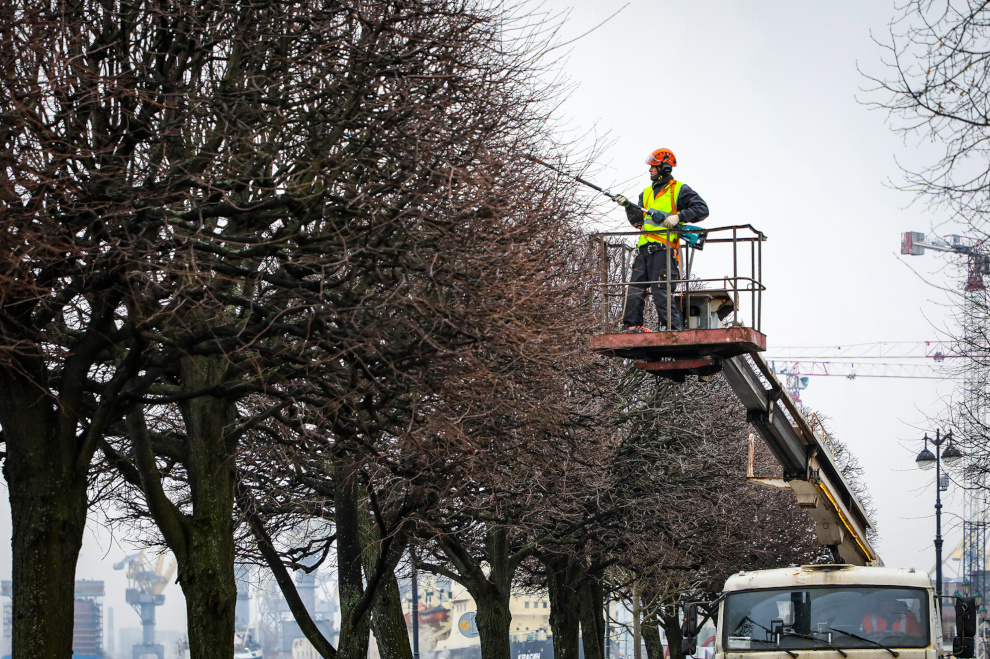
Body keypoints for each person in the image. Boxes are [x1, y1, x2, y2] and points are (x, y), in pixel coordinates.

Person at [615, 148, 709, 333]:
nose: (650, 170)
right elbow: (638, 222)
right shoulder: (646, 193)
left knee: (661, 291)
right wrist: (628, 207)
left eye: (653, 166)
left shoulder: (679, 189)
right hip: (643, 251)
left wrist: (679, 216)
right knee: (634, 290)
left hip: (663, 250)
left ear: (665, 168)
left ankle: (673, 330)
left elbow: (702, 209)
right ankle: (632, 326)